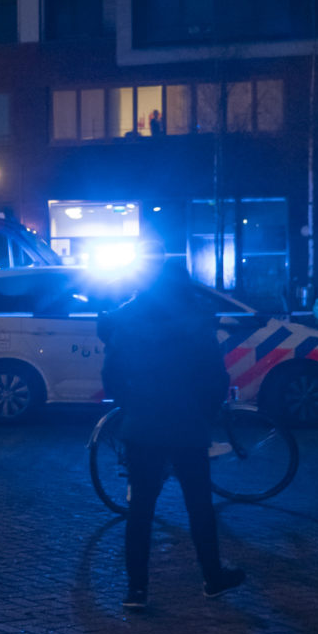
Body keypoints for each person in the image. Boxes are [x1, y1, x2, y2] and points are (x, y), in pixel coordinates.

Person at [100, 251, 246, 610]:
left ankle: (136, 590)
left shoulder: (129, 320)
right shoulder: (196, 323)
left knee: (141, 511)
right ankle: (212, 577)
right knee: (199, 506)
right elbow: (216, 377)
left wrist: (130, 403)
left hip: (143, 425)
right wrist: (205, 412)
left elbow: (112, 373)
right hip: (187, 426)